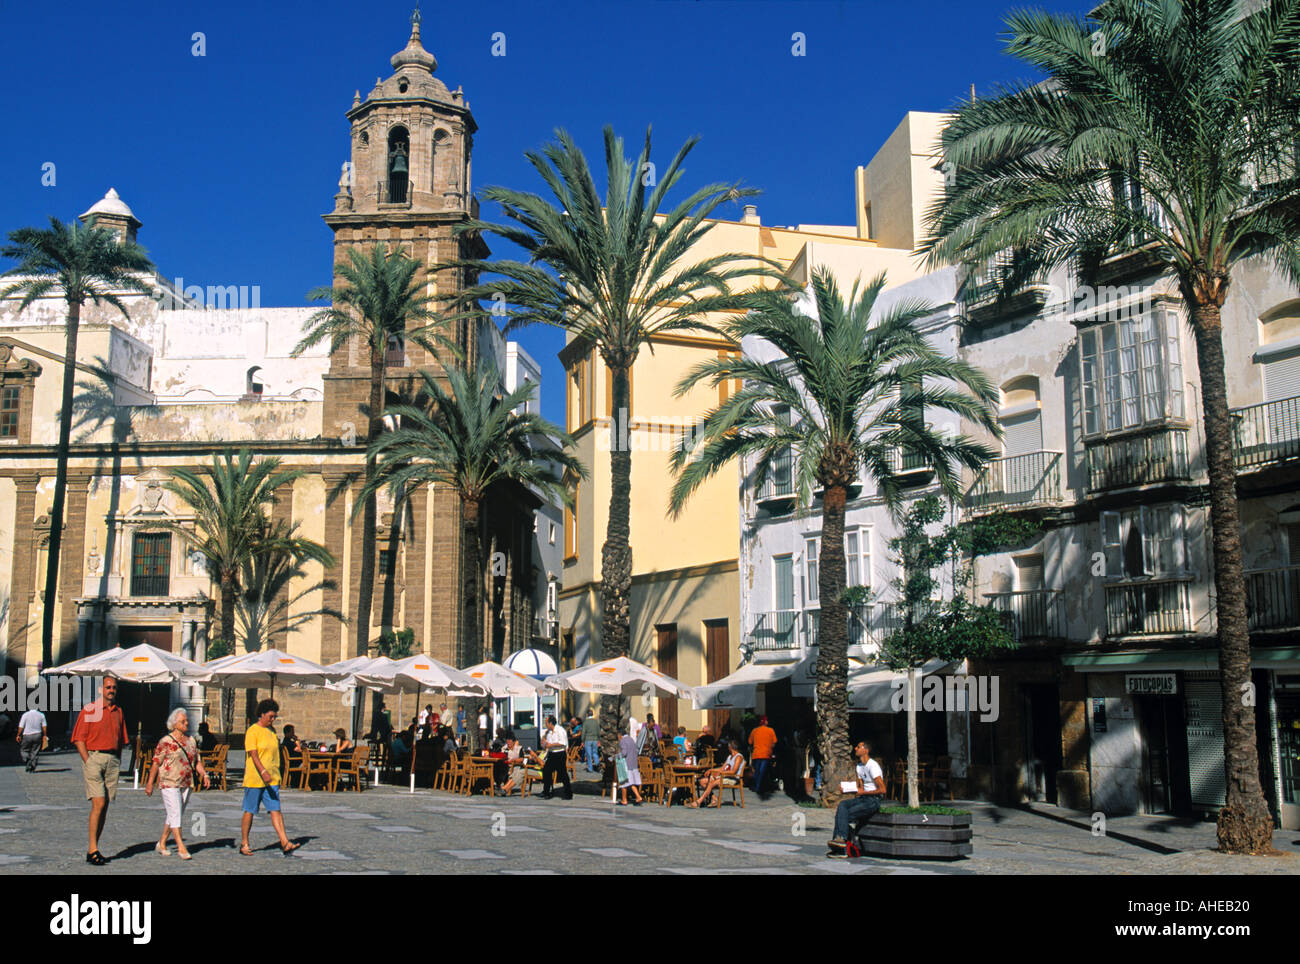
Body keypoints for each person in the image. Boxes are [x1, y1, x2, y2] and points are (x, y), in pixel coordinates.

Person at [71, 675, 130, 866]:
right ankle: (93, 849)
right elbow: (79, 739)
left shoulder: (118, 711)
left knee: (104, 806)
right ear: (100, 690)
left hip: (112, 760)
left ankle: (94, 848)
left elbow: (121, 739)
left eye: (113, 687)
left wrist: (118, 759)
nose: (111, 690)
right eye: (107, 687)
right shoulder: (90, 710)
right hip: (94, 758)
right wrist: (88, 761)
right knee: (99, 802)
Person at [144, 708, 210, 859]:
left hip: (187, 782)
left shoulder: (191, 741)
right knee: (175, 813)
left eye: (186, 720)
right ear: (174, 724)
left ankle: (161, 843)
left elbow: (196, 762)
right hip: (169, 782)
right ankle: (181, 846)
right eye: (183, 721)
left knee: (175, 814)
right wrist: (150, 783)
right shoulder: (165, 742)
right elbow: (155, 763)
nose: (186, 723)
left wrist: (204, 774)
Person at [239, 699, 300, 857]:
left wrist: (274, 773)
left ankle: (284, 841)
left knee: (276, 810)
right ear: (262, 714)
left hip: (272, 778)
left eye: (274, 717)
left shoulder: (272, 731)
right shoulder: (253, 731)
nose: (273, 719)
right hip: (255, 778)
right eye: (271, 716)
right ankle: (244, 843)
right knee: (250, 810)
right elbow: (253, 754)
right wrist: (263, 771)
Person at [827, 740, 886, 857]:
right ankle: (838, 842)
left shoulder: (872, 766)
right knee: (843, 806)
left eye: (858, 747)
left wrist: (863, 791)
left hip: (873, 800)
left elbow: (883, 790)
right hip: (863, 798)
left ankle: (841, 843)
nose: (855, 748)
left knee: (844, 815)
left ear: (866, 750)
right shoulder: (859, 766)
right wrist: (847, 788)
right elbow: (860, 788)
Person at [690, 739, 745, 808]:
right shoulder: (730, 757)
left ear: (730, 747)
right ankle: (714, 798)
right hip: (724, 776)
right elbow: (722, 768)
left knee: (711, 783)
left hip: (732, 778)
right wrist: (711, 770)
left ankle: (699, 801)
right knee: (702, 781)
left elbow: (733, 771)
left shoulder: (738, 757)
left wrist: (721, 773)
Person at [539, 715, 572, 800]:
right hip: (551, 753)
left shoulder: (560, 730)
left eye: (546, 723)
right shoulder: (549, 732)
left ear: (550, 723)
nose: (545, 725)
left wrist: (551, 745)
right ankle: (547, 791)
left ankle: (568, 793)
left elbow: (563, 742)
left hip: (560, 753)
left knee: (563, 773)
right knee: (546, 771)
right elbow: (547, 743)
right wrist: (545, 743)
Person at [748, 715, 778, 799]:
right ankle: (760, 787)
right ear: (765, 722)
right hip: (766, 754)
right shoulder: (770, 730)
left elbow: (750, 742)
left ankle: (757, 786)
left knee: (757, 771)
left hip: (756, 754)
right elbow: (774, 742)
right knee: (763, 771)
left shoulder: (754, 730)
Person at [16, 705, 47, 772]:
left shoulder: (25, 715)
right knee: (35, 751)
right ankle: (32, 765)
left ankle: (27, 759)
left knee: (24, 750)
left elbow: (21, 726)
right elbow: (44, 727)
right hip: (38, 734)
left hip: (27, 735)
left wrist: (18, 735)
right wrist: (44, 735)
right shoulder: (41, 715)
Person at [617, 730, 643, 806]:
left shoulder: (623, 741)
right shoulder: (631, 740)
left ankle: (624, 800)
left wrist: (617, 756)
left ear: (620, 735)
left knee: (624, 782)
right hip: (634, 764)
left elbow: (624, 752)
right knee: (631, 783)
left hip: (627, 764)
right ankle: (638, 797)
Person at [580, 708, 600, 772]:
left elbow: (583, 732)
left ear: (587, 715)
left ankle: (590, 768)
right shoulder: (596, 721)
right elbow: (598, 731)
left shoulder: (585, 722)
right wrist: (599, 739)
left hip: (588, 739)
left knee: (588, 754)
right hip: (595, 739)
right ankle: (598, 766)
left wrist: (582, 740)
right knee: (595, 753)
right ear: (592, 714)